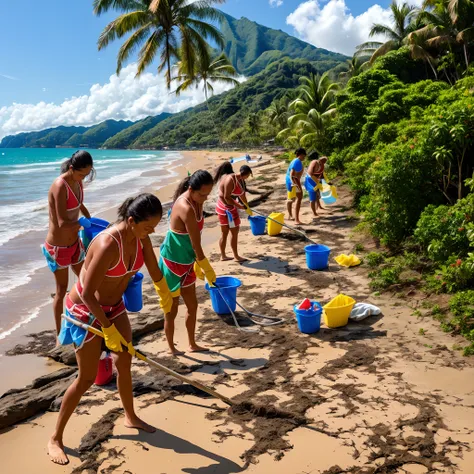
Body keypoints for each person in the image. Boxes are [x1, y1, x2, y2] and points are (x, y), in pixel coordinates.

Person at [48, 193, 172, 465]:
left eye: (154, 227)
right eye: (147, 227)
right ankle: (55, 438)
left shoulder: (141, 237)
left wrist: (164, 291)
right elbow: (89, 294)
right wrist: (107, 330)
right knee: (87, 377)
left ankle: (130, 416)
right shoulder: (107, 244)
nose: (151, 232)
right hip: (86, 310)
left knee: (125, 362)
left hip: (114, 307)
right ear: (130, 220)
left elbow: (153, 268)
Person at [159, 170, 216, 356]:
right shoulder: (185, 207)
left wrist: (197, 262)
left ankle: (192, 343)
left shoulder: (197, 201)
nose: (205, 198)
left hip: (188, 261)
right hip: (172, 264)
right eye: (202, 194)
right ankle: (171, 347)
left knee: (193, 305)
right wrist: (206, 266)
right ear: (191, 189)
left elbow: (195, 242)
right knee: (171, 309)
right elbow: (195, 243)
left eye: (208, 194)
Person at [43, 150, 95, 337]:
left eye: (87, 174)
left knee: (87, 282)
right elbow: (62, 222)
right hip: (58, 248)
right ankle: (59, 334)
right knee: (61, 290)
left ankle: (83, 319)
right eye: (81, 174)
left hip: (75, 244)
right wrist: (81, 224)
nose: (83, 178)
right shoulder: (59, 186)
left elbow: (79, 203)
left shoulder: (77, 181)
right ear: (72, 168)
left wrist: (90, 219)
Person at [214, 162, 253, 262]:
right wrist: (240, 206)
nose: (248, 178)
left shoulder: (235, 178)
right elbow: (227, 197)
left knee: (226, 233)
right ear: (246, 174)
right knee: (233, 232)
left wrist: (247, 207)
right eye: (248, 175)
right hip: (226, 210)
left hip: (224, 208)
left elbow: (242, 195)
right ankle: (235, 256)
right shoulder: (230, 179)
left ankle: (224, 255)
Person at [286, 148, 306, 225]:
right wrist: (293, 183)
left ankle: (291, 216)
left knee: (293, 198)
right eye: (304, 155)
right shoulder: (297, 161)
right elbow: (292, 173)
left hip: (292, 181)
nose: (304, 157)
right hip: (294, 181)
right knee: (299, 198)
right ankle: (296, 220)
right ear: (301, 155)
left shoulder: (295, 160)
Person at [305, 153, 328, 218]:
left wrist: (326, 182)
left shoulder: (322, 165)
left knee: (318, 194)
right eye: (323, 161)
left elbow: (322, 174)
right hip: (310, 180)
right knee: (312, 197)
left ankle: (318, 206)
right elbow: (310, 174)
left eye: (325, 162)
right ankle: (314, 212)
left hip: (316, 180)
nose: (324, 163)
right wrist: (317, 182)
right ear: (320, 160)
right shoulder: (314, 162)